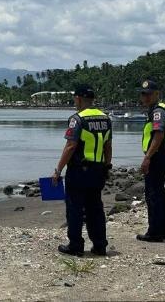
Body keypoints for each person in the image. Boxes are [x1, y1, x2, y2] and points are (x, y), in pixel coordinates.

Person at [52, 85, 112, 256]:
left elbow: (70, 146)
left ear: (78, 99)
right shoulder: (106, 119)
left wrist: (58, 170)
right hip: (98, 170)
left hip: (79, 170)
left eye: (74, 99)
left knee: (75, 208)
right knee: (95, 208)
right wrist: (107, 166)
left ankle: (76, 245)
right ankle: (100, 245)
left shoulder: (77, 119)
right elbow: (108, 146)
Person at [135, 79, 165, 243]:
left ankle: (155, 232)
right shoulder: (156, 110)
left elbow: (159, 135)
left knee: (153, 193)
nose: (145, 97)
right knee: (159, 192)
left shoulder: (157, 112)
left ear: (156, 94)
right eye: (143, 94)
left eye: (148, 94)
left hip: (157, 155)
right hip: (161, 154)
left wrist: (147, 158)